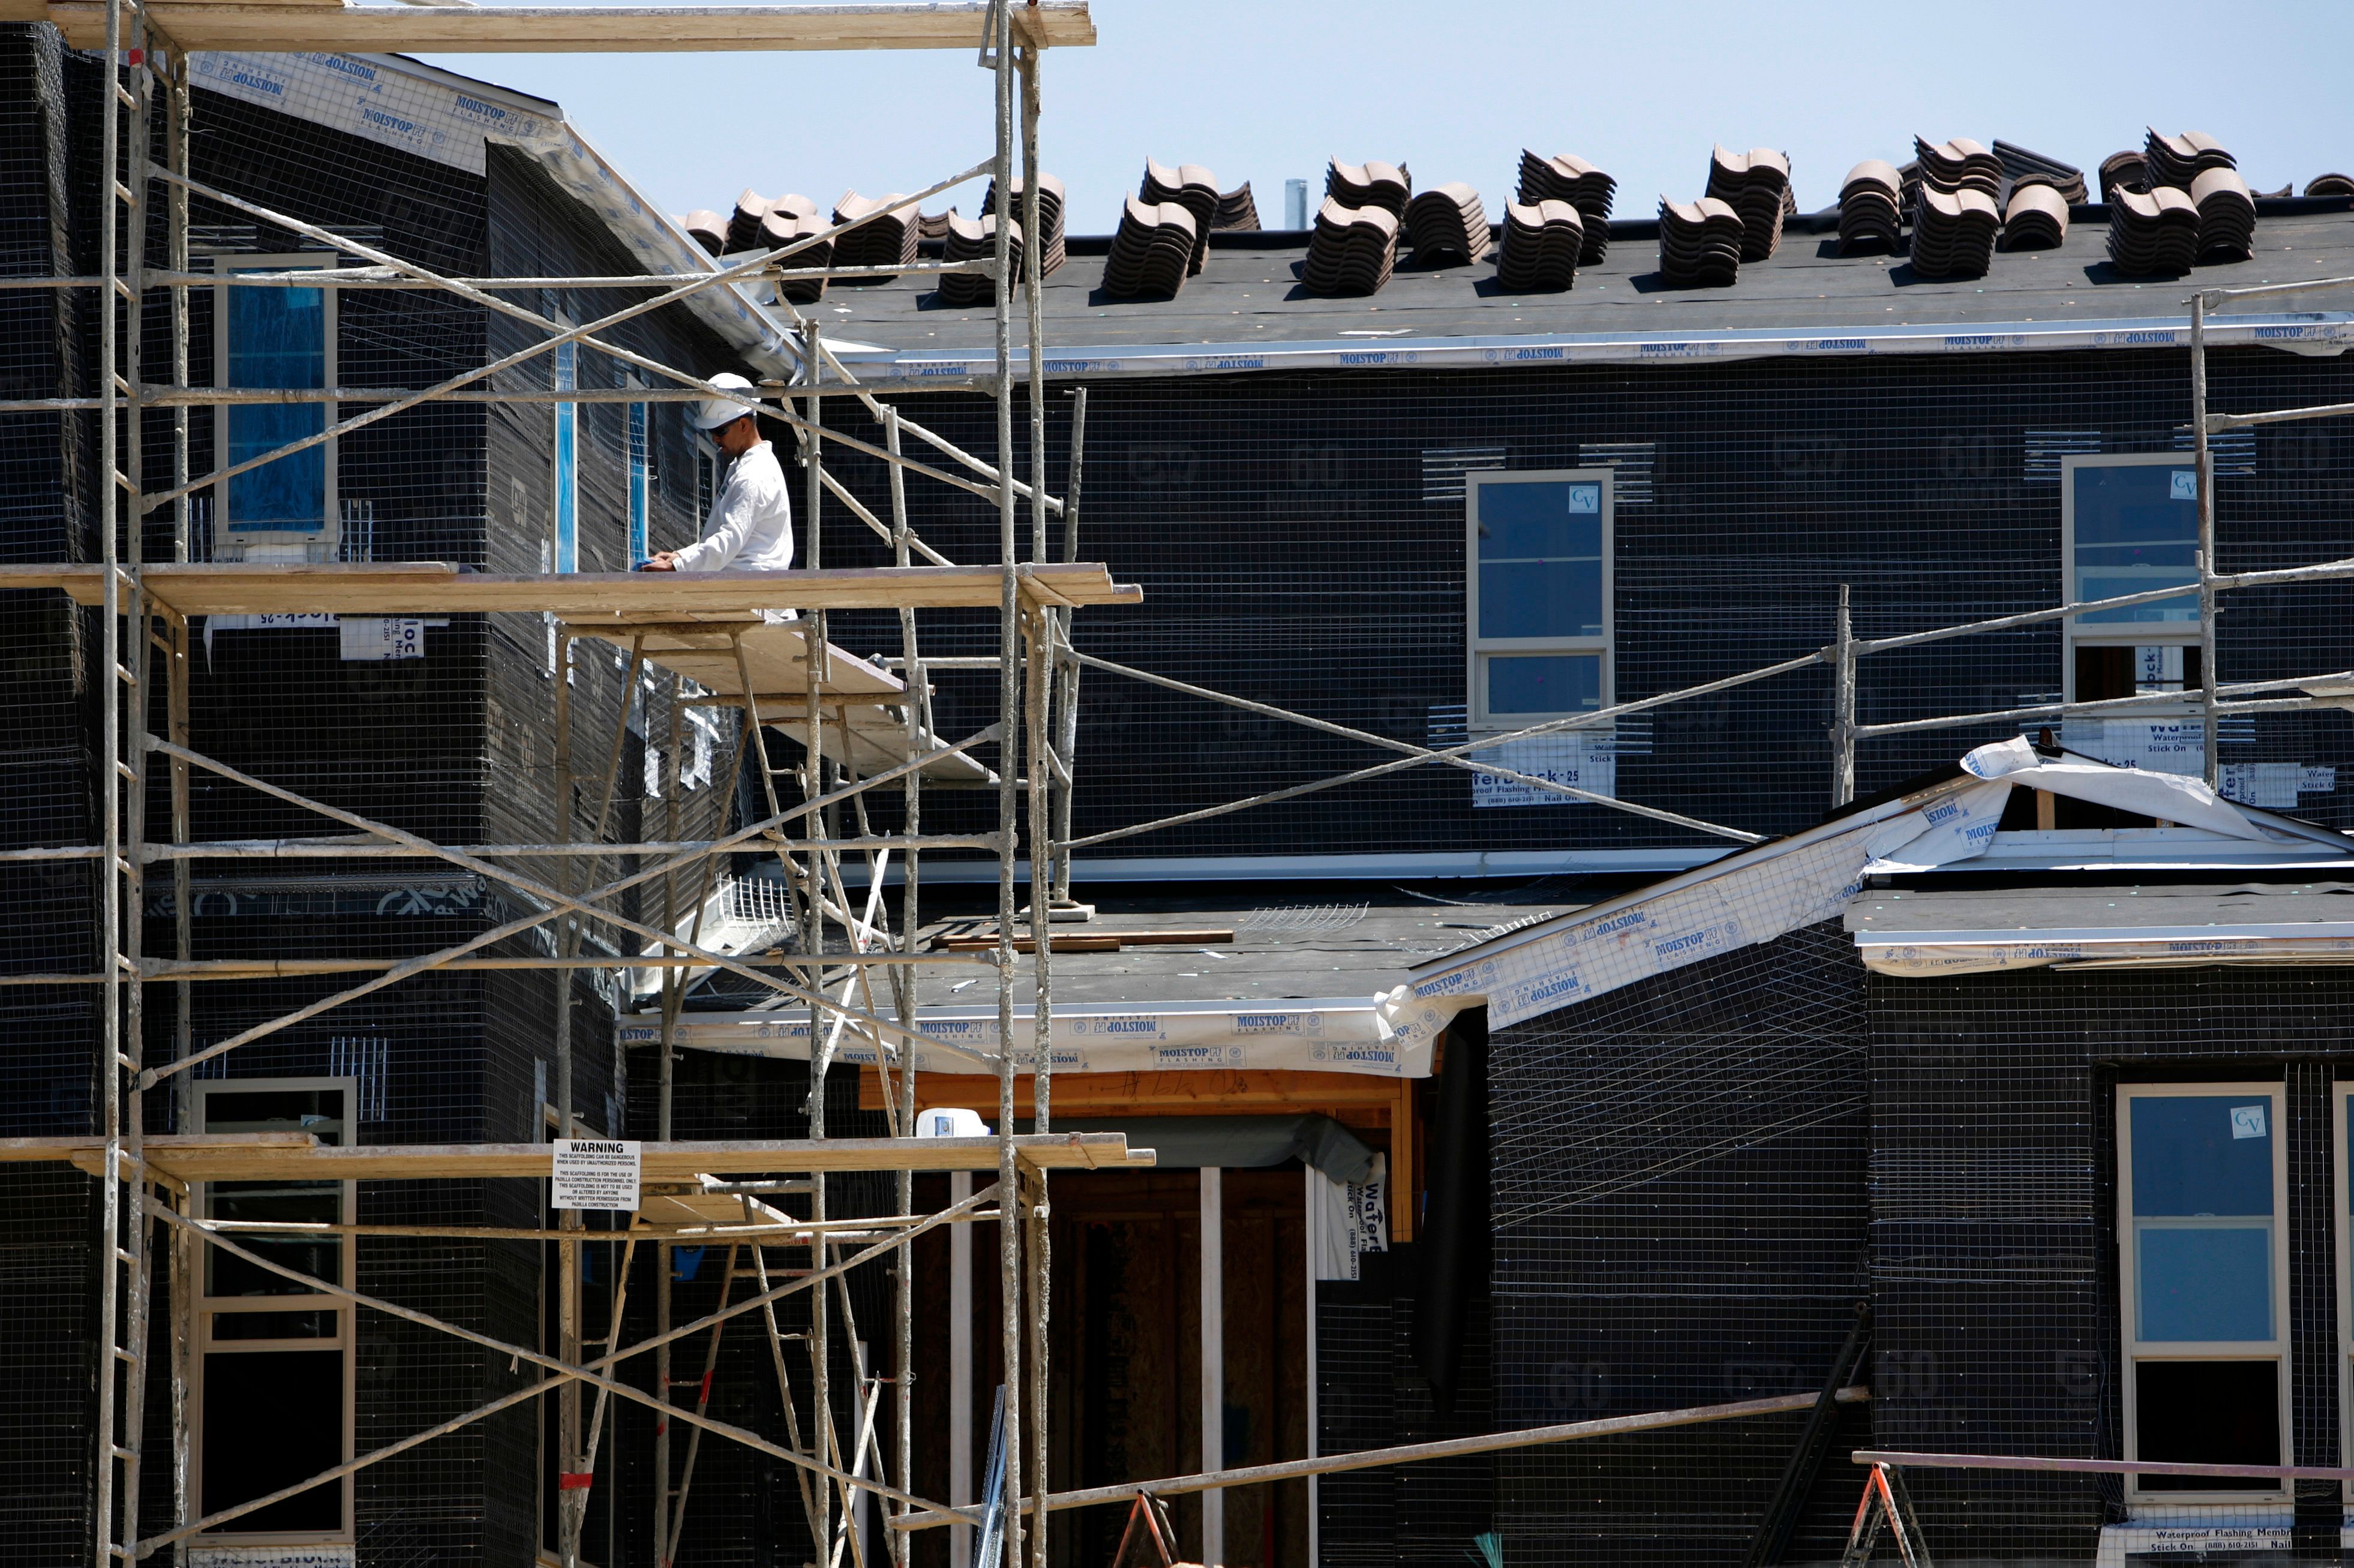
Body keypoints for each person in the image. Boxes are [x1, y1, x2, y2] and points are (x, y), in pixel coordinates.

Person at [638, 372, 794, 582]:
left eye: (720, 431)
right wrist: (681, 557)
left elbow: (730, 539)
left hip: (750, 594)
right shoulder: (745, 467)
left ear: (743, 425)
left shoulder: (754, 475)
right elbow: (724, 537)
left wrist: (678, 566)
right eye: (712, 431)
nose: (714, 438)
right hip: (745, 589)